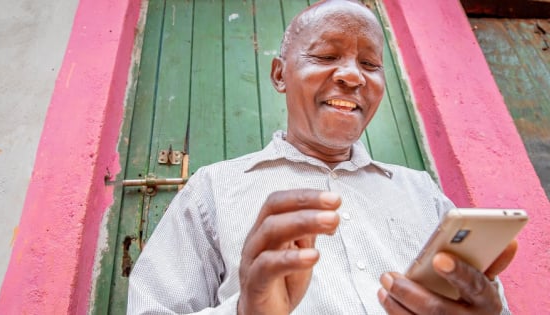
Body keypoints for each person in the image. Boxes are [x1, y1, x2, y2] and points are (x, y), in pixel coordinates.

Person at [128, 0, 516, 314]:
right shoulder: (213, 188)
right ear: (279, 75)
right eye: (326, 55)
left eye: (369, 64)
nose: (352, 77)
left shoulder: (420, 191)